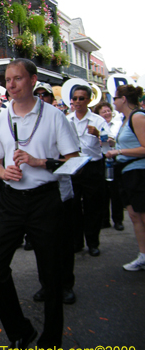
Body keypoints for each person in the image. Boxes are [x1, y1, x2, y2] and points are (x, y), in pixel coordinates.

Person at [0, 59, 79, 350]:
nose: (11, 85)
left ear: (33, 80)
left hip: (45, 201)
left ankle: (50, 344)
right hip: (11, 200)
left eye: (17, 79)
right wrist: (4, 174)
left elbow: (74, 161)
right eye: (7, 80)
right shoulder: (0, 119)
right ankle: (20, 331)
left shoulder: (53, 117)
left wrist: (40, 162)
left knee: (51, 277)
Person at [32, 82, 79, 305]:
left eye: (45, 95)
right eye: (37, 94)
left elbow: (73, 159)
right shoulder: (26, 123)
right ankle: (47, 284)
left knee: (62, 242)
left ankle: (66, 284)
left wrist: (44, 162)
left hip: (61, 190)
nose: (41, 97)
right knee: (42, 244)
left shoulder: (60, 119)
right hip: (38, 194)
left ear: (52, 98)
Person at [105, 85, 145, 271]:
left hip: (138, 172)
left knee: (142, 215)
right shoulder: (125, 119)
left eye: (115, 98)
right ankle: (143, 255)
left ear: (123, 99)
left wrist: (119, 150)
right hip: (127, 172)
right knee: (134, 216)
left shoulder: (138, 117)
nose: (113, 102)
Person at [67, 85, 109, 257]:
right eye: (75, 98)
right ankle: (77, 242)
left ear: (89, 100)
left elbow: (110, 141)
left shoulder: (98, 120)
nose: (77, 102)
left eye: (81, 98)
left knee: (93, 206)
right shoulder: (67, 119)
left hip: (92, 167)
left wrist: (99, 134)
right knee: (74, 206)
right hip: (75, 165)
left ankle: (93, 242)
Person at [93, 101, 124, 231]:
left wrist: (111, 141)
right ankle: (104, 219)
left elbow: (119, 141)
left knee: (115, 191)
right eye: (103, 112)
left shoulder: (117, 124)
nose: (107, 113)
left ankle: (118, 220)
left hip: (114, 158)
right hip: (101, 158)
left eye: (108, 111)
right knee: (103, 191)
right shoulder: (96, 124)